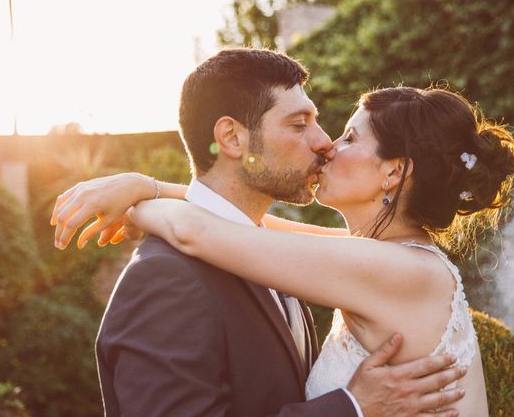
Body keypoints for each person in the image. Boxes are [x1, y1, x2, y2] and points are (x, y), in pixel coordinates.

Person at [54, 49, 470, 417]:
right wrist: (351, 408)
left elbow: (207, 226)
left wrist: (146, 192)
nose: (324, 143)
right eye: (298, 124)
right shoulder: (167, 278)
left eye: (327, 127)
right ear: (233, 138)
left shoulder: (283, 257)